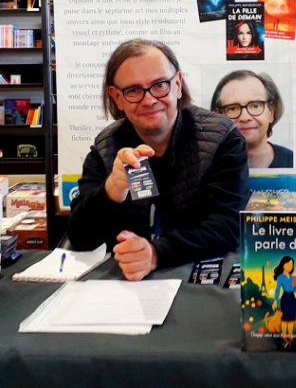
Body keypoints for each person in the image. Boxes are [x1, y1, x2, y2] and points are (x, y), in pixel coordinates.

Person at [68, 39, 249, 281]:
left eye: (160, 85)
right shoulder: (104, 148)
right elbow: (80, 238)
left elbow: (228, 226)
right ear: (116, 97)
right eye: (133, 90)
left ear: (177, 84)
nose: (149, 99)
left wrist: (156, 253)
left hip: (201, 280)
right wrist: (110, 191)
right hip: (124, 285)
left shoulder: (223, 138)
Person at [210, 70, 293, 168]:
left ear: (271, 113)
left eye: (255, 106)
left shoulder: (292, 161)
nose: (245, 118)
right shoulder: (204, 167)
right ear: (218, 116)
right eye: (233, 108)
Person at [271, 256, 296, 345]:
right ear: (283, 265)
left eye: (292, 264)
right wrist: (275, 301)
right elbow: (278, 289)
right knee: (285, 318)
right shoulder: (280, 277)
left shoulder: (293, 277)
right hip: (285, 298)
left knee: (291, 319)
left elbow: (295, 289)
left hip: (292, 298)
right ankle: (284, 335)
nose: (290, 266)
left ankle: (290, 334)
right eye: (288, 264)